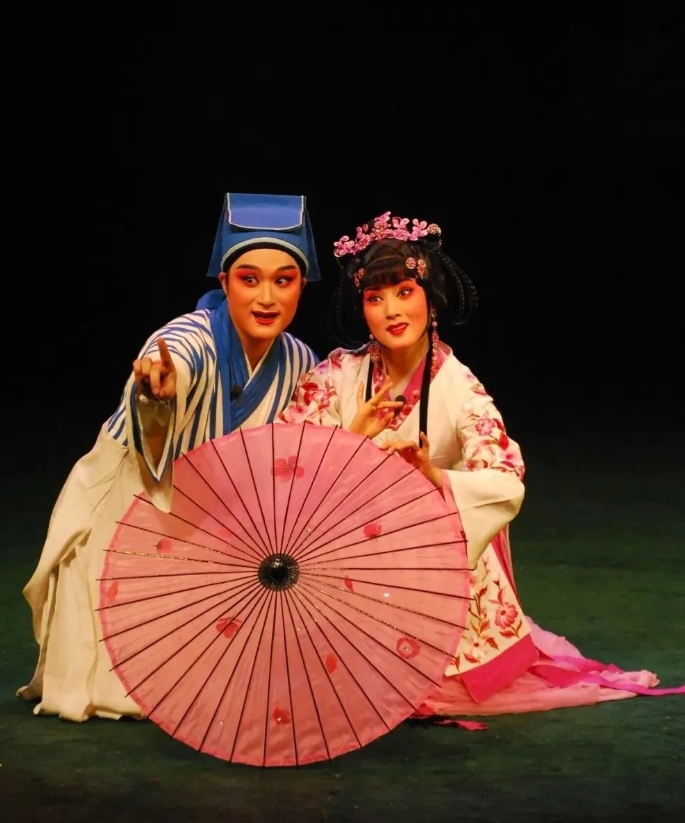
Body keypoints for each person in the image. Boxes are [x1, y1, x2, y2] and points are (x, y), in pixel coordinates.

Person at [278, 210, 683, 722]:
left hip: (424, 555)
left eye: (404, 292)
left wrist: (437, 478)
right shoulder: (338, 373)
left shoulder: (459, 387)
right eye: (375, 298)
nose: (391, 310)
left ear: (430, 297)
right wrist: (352, 439)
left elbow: (504, 481)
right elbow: (285, 463)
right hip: (343, 552)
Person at [18, 192, 321, 722]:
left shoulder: (299, 360)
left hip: (209, 517)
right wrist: (158, 391)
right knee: (120, 684)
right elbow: (172, 362)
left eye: (284, 280)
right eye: (249, 279)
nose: (266, 297)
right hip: (132, 498)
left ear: (301, 286)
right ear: (224, 282)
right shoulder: (188, 336)